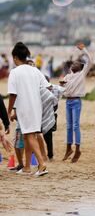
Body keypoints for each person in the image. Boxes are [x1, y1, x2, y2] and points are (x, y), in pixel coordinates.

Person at [7, 42, 50, 176]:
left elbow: (13, 94)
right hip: (37, 107)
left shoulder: (14, 72)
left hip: (24, 107)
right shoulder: (35, 70)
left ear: (15, 58)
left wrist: (8, 111)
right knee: (28, 135)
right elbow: (47, 87)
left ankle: (42, 164)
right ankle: (26, 167)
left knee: (30, 136)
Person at [61, 43, 93, 163]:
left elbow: (90, 61)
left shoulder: (81, 74)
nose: (73, 64)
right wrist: (61, 84)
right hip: (68, 102)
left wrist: (84, 50)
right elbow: (62, 87)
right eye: (73, 63)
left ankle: (78, 149)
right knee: (69, 126)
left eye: (76, 64)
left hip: (76, 102)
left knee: (75, 126)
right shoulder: (68, 76)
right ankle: (69, 148)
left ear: (80, 68)